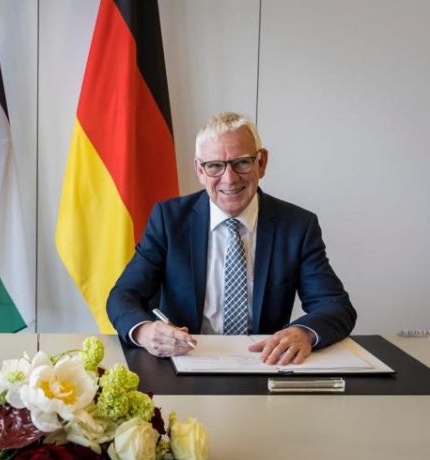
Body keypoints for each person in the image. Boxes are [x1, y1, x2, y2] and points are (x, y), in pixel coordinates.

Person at [107, 112, 355, 365]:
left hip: (263, 362)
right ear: (200, 170)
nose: (230, 178)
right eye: (215, 166)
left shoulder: (297, 226)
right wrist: (144, 331)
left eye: (242, 163)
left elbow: (335, 306)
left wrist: (303, 332)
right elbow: (123, 295)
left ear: (261, 163)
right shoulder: (169, 220)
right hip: (184, 360)